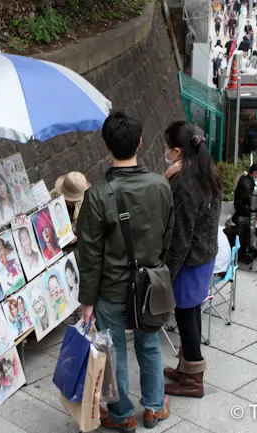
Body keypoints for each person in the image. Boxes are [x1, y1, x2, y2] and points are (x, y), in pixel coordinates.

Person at [77, 109, 173, 430]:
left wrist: (87, 301)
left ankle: (122, 415)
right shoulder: (161, 185)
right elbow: (167, 237)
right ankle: (154, 407)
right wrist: (155, 268)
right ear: (140, 142)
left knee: (113, 350)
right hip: (149, 285)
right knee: (149, 343)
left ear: (107, 145)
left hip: (112, 288)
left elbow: (89, 255)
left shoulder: (96, 196)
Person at [162, 122, 222, 399]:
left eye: (167, 148)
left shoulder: (185, 185)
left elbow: (181, 237)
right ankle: (186, 368)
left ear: (177, 151)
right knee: (192, 312)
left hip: (189, 260)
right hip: (204, 256)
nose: (165, 152)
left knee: (186, 316)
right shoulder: (207, 172)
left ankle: (193, 380)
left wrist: (168, 273)